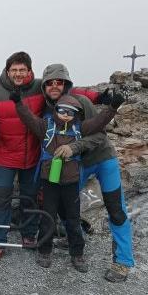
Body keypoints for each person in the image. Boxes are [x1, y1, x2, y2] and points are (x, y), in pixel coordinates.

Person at [12, 66, 123, 271]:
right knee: (48, 215)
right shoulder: (46, 126)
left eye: (71, 112)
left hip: (71, 180)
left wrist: (113, 107)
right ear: (55, 110)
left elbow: (100, 122)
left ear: (77, 114)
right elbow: (28, 117)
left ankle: (78, 254)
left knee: (72, 217)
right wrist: (18, 102)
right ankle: (44, 250)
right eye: (61, 110)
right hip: (50, 180)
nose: (65, 114)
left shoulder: (80, 128)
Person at [40, 64, 135, 282]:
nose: (55, 86)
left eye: (59, 81)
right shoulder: (50, 111)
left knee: (115, 208)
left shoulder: (81, 103)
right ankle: (76, 238)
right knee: (65, 204)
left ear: (66, 83)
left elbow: (99, 135)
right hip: (74, 166)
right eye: (49, 82)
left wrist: (74, 148)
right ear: (44, 86)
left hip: (102, 160)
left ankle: (123, 261)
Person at [0, 51, 43, 263]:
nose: (18, 74)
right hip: (3, 156)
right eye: (14, 70)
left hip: (31, 155)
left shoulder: (40, 88)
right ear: (7, 71)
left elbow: (69, 92)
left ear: (29, 70)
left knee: (29, 198)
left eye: (23, 69)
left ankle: (29, 234)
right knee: (0, 199)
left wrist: (97, 97)